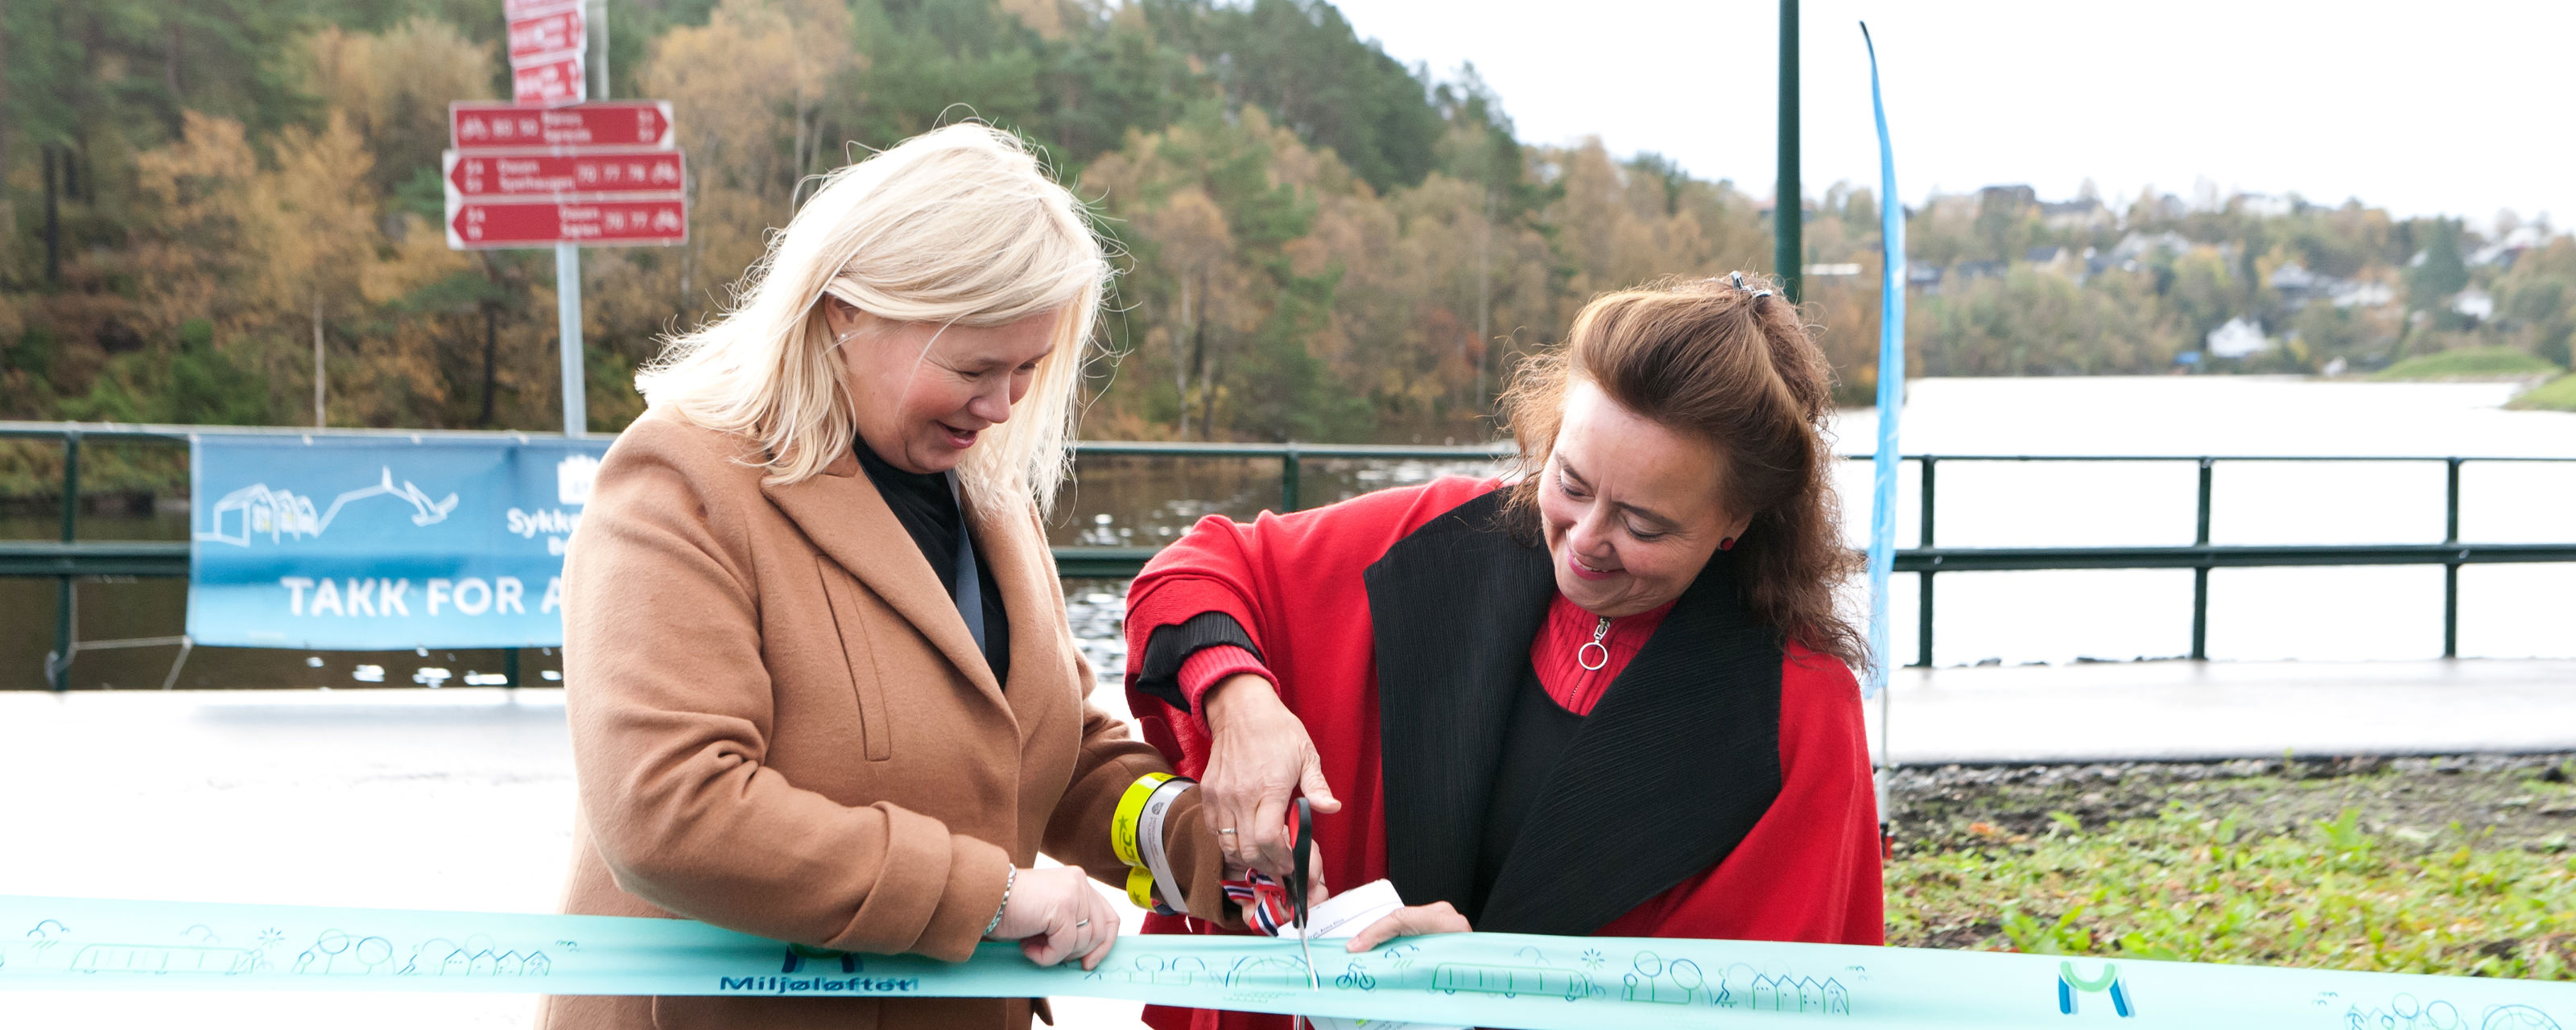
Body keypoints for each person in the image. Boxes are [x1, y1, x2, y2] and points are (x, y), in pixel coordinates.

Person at [543, 125, 1228, 1030]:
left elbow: (1039, 755)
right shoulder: (680, 484)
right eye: (973, 367)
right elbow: (669, 809)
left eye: (1028, 368)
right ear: (843, 310)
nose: (1001, 407)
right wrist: (986, 894)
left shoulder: (988, 498)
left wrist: (1197, 836)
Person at [1121, 275, 1885, 1030]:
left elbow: (1766, 1002)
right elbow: (1196, 572)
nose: (1585, 542)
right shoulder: (1441, 535)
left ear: (1738, 521)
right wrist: (1241, 701)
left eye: (1644, 526)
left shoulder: (1796, 710)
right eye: (1572, 481)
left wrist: (1490, 990)